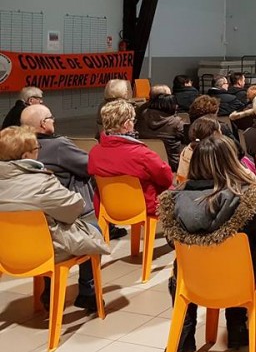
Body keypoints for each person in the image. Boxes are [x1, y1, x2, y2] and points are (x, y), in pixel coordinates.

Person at [159, 136, 256, 352]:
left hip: (193, 281)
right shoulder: (246, 199)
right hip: (239, 280)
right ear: (231, 162)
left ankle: (183, 335)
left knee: (180, 269)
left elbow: (172, 242)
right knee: (249, 253)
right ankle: (237, 327)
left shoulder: (173, 200)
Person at [0, 126, 109, 312]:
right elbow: (74, 209)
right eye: (37, 149)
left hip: (6, 253)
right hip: (44, 251)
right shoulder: (41, 182)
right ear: (26, 155)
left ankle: (49, 291)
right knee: (93, 229)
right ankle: (87, 293)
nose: (39, 152)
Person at [22, 104, 127, 241]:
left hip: (33, 216)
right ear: (43, 123)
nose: (53, 120)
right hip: (67, 212)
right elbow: (90, 165)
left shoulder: (18, 147)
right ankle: (108, 224)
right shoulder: (58, 145)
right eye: (51, 118)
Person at [89, 99, 173, 217]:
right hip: (144, 208)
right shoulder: (142, 154)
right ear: (127, 124)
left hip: (107, 208)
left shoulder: (94, 153)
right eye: (133, 121)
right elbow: (167, 178)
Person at [138, 88, 184, 171]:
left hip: (144, 161)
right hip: (171, 163)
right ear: (172, 106)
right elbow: (185, 139)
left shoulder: (143, 116)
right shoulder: (176, 122)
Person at [178, 116, 222, 180]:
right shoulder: (213, 152)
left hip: (184, 184)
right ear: (215, 133)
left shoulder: (187, 149)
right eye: (220, 129)